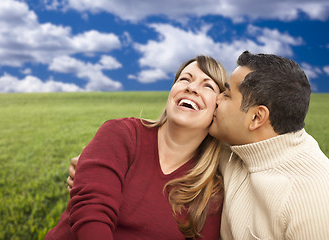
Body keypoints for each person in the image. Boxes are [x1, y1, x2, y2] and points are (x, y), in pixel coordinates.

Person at [68, 51, 329, 239]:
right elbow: (92, 201)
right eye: (184, 79)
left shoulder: (312, 198)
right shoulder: (233, 149)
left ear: (257, 118)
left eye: (223, 93)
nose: (194, 90)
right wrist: (93, 170)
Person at [45, 55, 229, 240]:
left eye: (207, 86)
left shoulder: (209, 191)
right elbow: (91, 213)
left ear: (218, 109)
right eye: (184, 79)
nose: (191, 87)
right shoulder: (121, 133)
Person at [209, 51, 329, 239]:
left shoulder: (312, 198)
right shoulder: (236, 145)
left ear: (256, 117)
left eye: (227, 94)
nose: (216, 99)